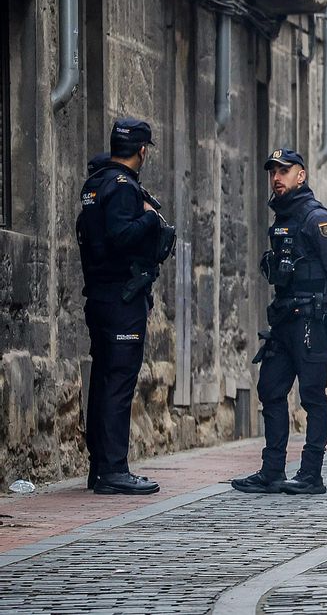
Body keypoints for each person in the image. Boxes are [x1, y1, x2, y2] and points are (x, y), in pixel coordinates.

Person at [232, 148, 327, 496]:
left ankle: (310, 474)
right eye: (273, 171)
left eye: (284, 171)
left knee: (313, 397)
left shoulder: (317, 219)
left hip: (310, 323)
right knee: (270, 390)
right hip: (285, 320)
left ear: (300, 175)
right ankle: (272, 471)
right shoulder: (283, 218)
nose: (276, 177)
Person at [76, 118, 175, 495]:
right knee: (118, 382)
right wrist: (149, 216)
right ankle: (114, 469)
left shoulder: (96, 183)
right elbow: (120, 236)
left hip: (101, 295)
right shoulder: (122, 188)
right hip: (122, 297)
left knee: (104, 380)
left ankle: (100, 467)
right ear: (143, 150)